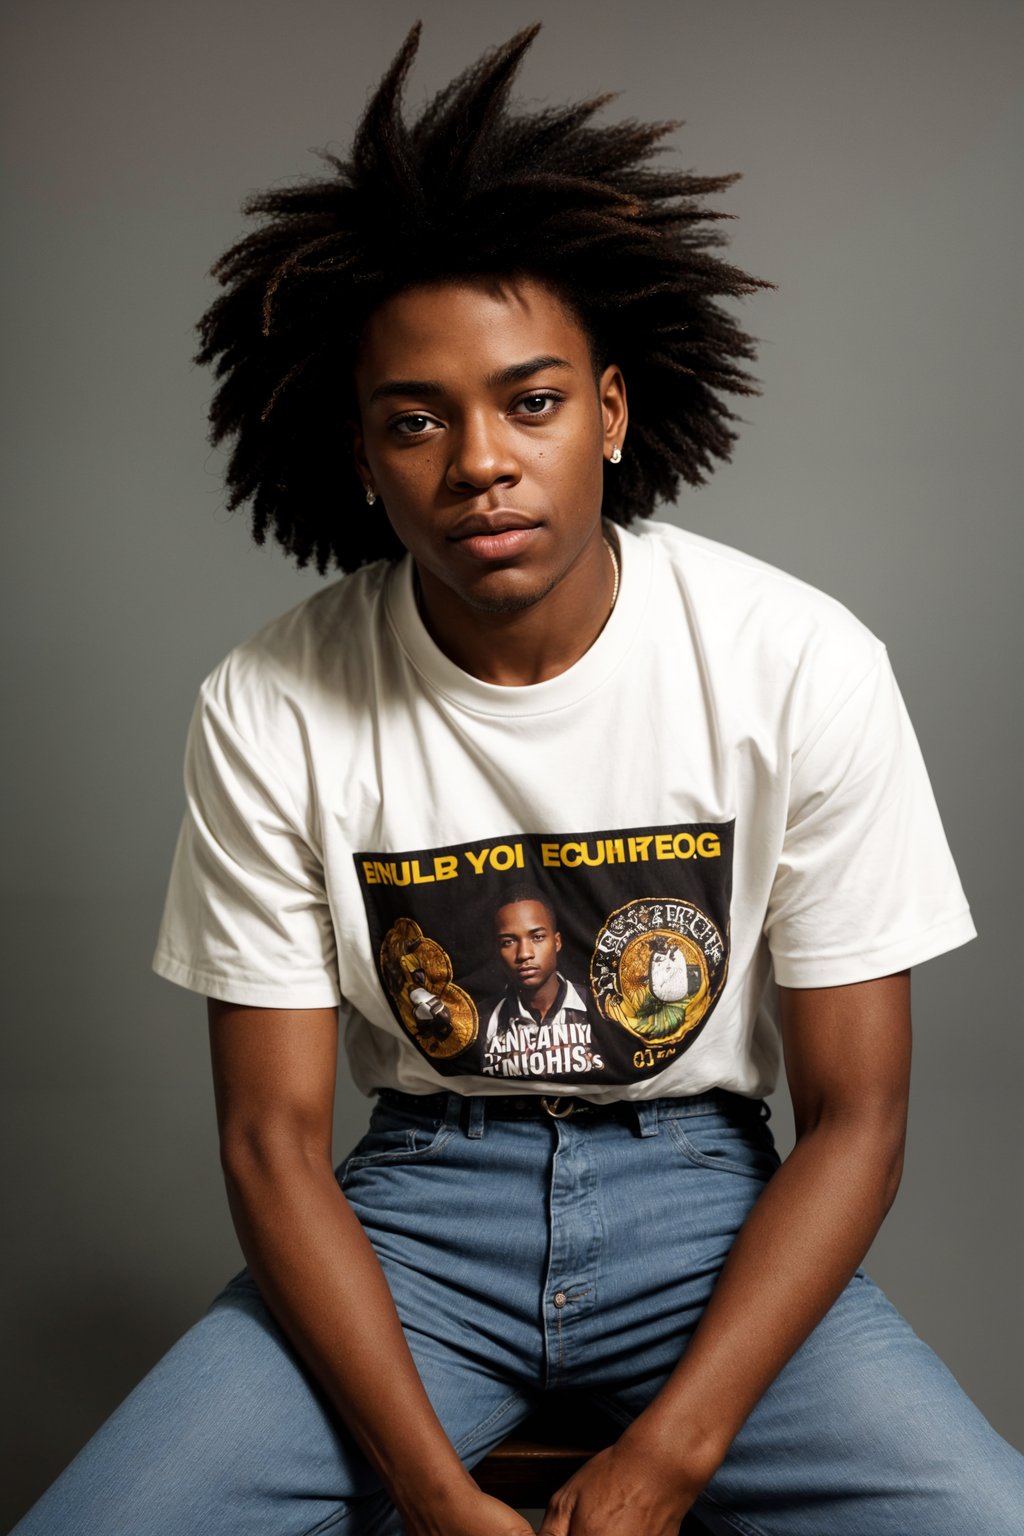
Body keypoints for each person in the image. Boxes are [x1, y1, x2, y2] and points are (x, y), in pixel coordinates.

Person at [13, 22, 1024, 1536]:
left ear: (610, 415)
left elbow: (860, 1116)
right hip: (417, 1213)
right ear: (361, 459)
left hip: (708, 1204)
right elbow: (272, 1140)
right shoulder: (270, 701)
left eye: (530, 403)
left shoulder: (794, 660)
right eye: (416, 420)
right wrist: (430, 1493)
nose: (478, 460)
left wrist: (666, 1457)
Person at [483, 886, 597, 1080]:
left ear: (557, 942)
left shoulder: (601, 1008)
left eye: (537, 937)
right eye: (508, 942)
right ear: (497, 950)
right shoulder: (483, 1021)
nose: (524, 954)